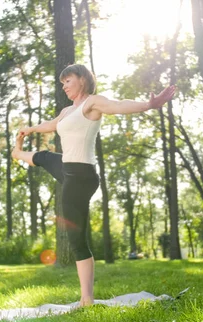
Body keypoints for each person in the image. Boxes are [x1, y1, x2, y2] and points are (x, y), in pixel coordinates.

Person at [12, 64, 175, 307]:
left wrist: (148, 104)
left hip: (81, 176)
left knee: (76, 238)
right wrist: (31, 129)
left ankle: (86, 299)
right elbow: (52, 124)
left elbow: (119, 105)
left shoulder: (92, 103)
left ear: (82, 79)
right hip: (68, 168)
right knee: (46, 157)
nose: (64, 86)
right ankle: (17, 153)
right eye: (62, 82)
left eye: (68, 80)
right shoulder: (68, 111)